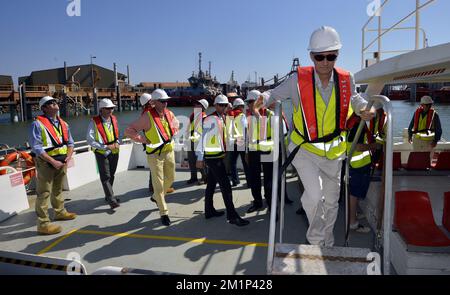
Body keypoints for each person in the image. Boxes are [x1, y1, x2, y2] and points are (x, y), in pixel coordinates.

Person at [258, 26, 374, 246]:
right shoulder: (296, 81)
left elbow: (356, 98)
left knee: (331, 202)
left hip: (334, 152)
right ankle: (316, 242)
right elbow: (273, 93)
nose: (325, 62)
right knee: (313, 198)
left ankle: (327, 242)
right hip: (305, 150)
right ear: (311, 56)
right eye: (319, 56)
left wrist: (364, 109)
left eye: (331, 56)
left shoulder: (346, 79)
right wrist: (260, 100)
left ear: (337, 55)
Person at [125, 89, 179, 226]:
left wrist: (174, 131)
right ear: (154, 102)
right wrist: (142, 139)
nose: (165, 103)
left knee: (171, 178)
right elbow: (129, 130)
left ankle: (155, 197)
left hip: (169, 151)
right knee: (158, 184)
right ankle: (163, 212)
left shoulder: (169, 114)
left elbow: (176, 124)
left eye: (166, 101)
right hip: (155, 155)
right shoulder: (147, 117)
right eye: (162, 101)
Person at [196, 94, 250, 227]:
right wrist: (199, 158)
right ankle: (232, 216)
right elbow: (201, 139)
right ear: (215, 105)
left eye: (225, 105)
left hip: (219, 156)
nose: (223, 107)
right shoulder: (210, 119)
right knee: (226, 186)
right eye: (221, 105)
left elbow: (225, 136)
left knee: (211, 185)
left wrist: (236, 140)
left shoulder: (224, 118)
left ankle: (209, 210)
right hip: (213, 158)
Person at [29, 96, 77, 235]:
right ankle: (43, 224)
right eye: (50, 103)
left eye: (55, 102)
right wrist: (52, 161)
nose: (55, 103)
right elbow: (36, 147)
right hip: (46, 162)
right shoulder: (37, 124)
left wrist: (68, 157)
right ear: (44, 108)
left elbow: (71, 143)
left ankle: (60, 212)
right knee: (44, 193)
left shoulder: (64, 124)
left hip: (62, 161)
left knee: (57, 189)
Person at [346, 113, 378, 233]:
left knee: (354, 192)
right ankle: (353, 223)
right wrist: (374, 146)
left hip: (355, 164)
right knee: (354, 194)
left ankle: (353, 214)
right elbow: (358, 147)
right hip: (357, 165)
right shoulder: (358, 125)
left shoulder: (352, 122)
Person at [86, 98, 121, 209]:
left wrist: (118, 142)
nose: (111, 110)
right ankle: (111, 199)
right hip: (102, 152)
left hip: (115, 151)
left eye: (112, 108)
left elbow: (117, 135)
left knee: (112, 174)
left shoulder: (114, 119)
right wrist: (106, 146)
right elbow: (90, 140)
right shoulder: (94, 122)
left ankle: (109, 195)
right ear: (101, 110)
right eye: (108, 108)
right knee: (105, 176)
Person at [246, 90, 275, 213]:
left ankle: (271, 204)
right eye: (248, 102)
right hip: (253, 152)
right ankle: (258, 202)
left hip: (268, 151)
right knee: (254, 179)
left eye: (251, 102)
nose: (248, 105)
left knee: (268, 180)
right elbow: (246, 136)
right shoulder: (247, 116)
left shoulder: (269, 114)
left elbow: (276, 135)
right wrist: (247, 152)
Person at [227, 98, 251, 187]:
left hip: (233, 142)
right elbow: (245, 129)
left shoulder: (229, 115)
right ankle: (249, 182)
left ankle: (235, 181)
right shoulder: (241, 116)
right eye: (243, 106)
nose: (243, 108)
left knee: (232, 162)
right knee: (246, 163)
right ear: (240, 106)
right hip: (241, 141)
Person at [186, 99, 208, 185]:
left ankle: (204, 177)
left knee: (200, 161)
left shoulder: (204, 117)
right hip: (190, 141)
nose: (195, 105)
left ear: (202, 107)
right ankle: (193, 177)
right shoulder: (193, 116)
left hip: (198, 142)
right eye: (196, 103)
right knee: (191, 161)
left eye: (198, 104)